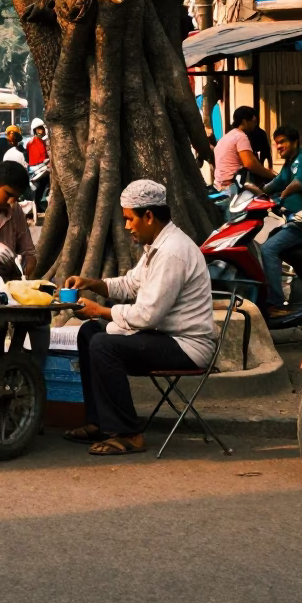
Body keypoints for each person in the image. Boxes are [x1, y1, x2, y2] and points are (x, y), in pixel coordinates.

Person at [63, 179, 217, 457]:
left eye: (129, 218)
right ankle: (100, 422)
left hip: (186, 346)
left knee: (103, 344)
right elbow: (131, 284)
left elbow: (147, 315)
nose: (126, 226)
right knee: (89, 333)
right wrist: (91, 283)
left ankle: (129, 434)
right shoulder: (156, 246)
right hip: (162, 336)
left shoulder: (172, 252)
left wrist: (100, 310)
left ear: (148, 216)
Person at [260, 125, 302, 317]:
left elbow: (298, 183)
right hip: (293, 221)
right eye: (276, 143)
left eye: (282, 142)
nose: (278, 146)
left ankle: (276, 304)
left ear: (294, 142)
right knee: (268, 240)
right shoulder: (289, 164)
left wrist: (283, 197)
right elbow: (275, 183)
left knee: (268, 249)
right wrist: (253, 191)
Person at [213, 106, 271, 201]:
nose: (255, 124)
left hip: (219, 185)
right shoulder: (241, 136)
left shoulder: (225, 137)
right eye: (253, 120)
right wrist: (271, 176)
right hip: (233, 186)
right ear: (244, 121)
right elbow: (250, 164)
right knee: (265, 200)